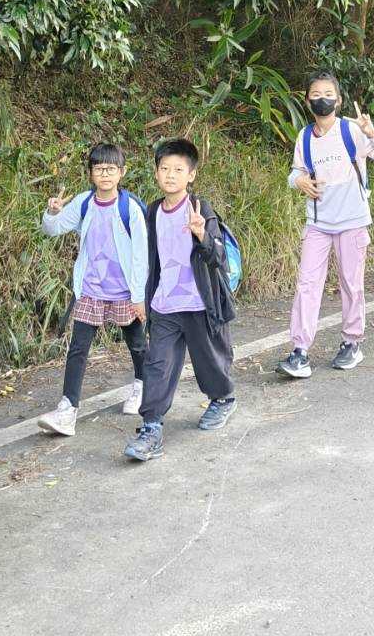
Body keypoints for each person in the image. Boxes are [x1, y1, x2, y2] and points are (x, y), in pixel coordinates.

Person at [124, 138, 236, 461]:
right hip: (164, 304)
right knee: (157, 364)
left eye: (178, 169)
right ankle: (151, 427)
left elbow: (218, 257)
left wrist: (202, 235)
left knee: (210, 361)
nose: (170, 175)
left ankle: (223, 398)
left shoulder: (200, 208)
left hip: (200, 304)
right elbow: (147, 258)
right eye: (164, 168)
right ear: (156, 173)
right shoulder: (152, 211)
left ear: (191, 175)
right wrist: (141, 297)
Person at [277, 73, 374, 378]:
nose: (322, 98)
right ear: (307, 100)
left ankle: (352, 342)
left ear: (338, 100)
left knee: (350, 284)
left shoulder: (352, 130)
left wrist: (372, 132)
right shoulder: (304, 136)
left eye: (328, 93)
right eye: (315, 93)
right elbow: (295, 173)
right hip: (317, 223)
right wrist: (299, 181)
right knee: (307, 284)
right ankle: (300, 351)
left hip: (352, 222)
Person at [37, 143, 149, 437]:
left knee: (137, 345)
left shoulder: (131, 209)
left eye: (111, 169)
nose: (105, 174)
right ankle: (67, 409)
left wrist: (139, 297)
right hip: (91, 289)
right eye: (99, 169)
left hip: (125, 291)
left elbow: (141, 256)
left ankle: (142, 386)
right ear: (91, 173)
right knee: (78, 349)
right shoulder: (84, 203)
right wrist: (51, 212)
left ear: (122, 173)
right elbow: (53, 228)